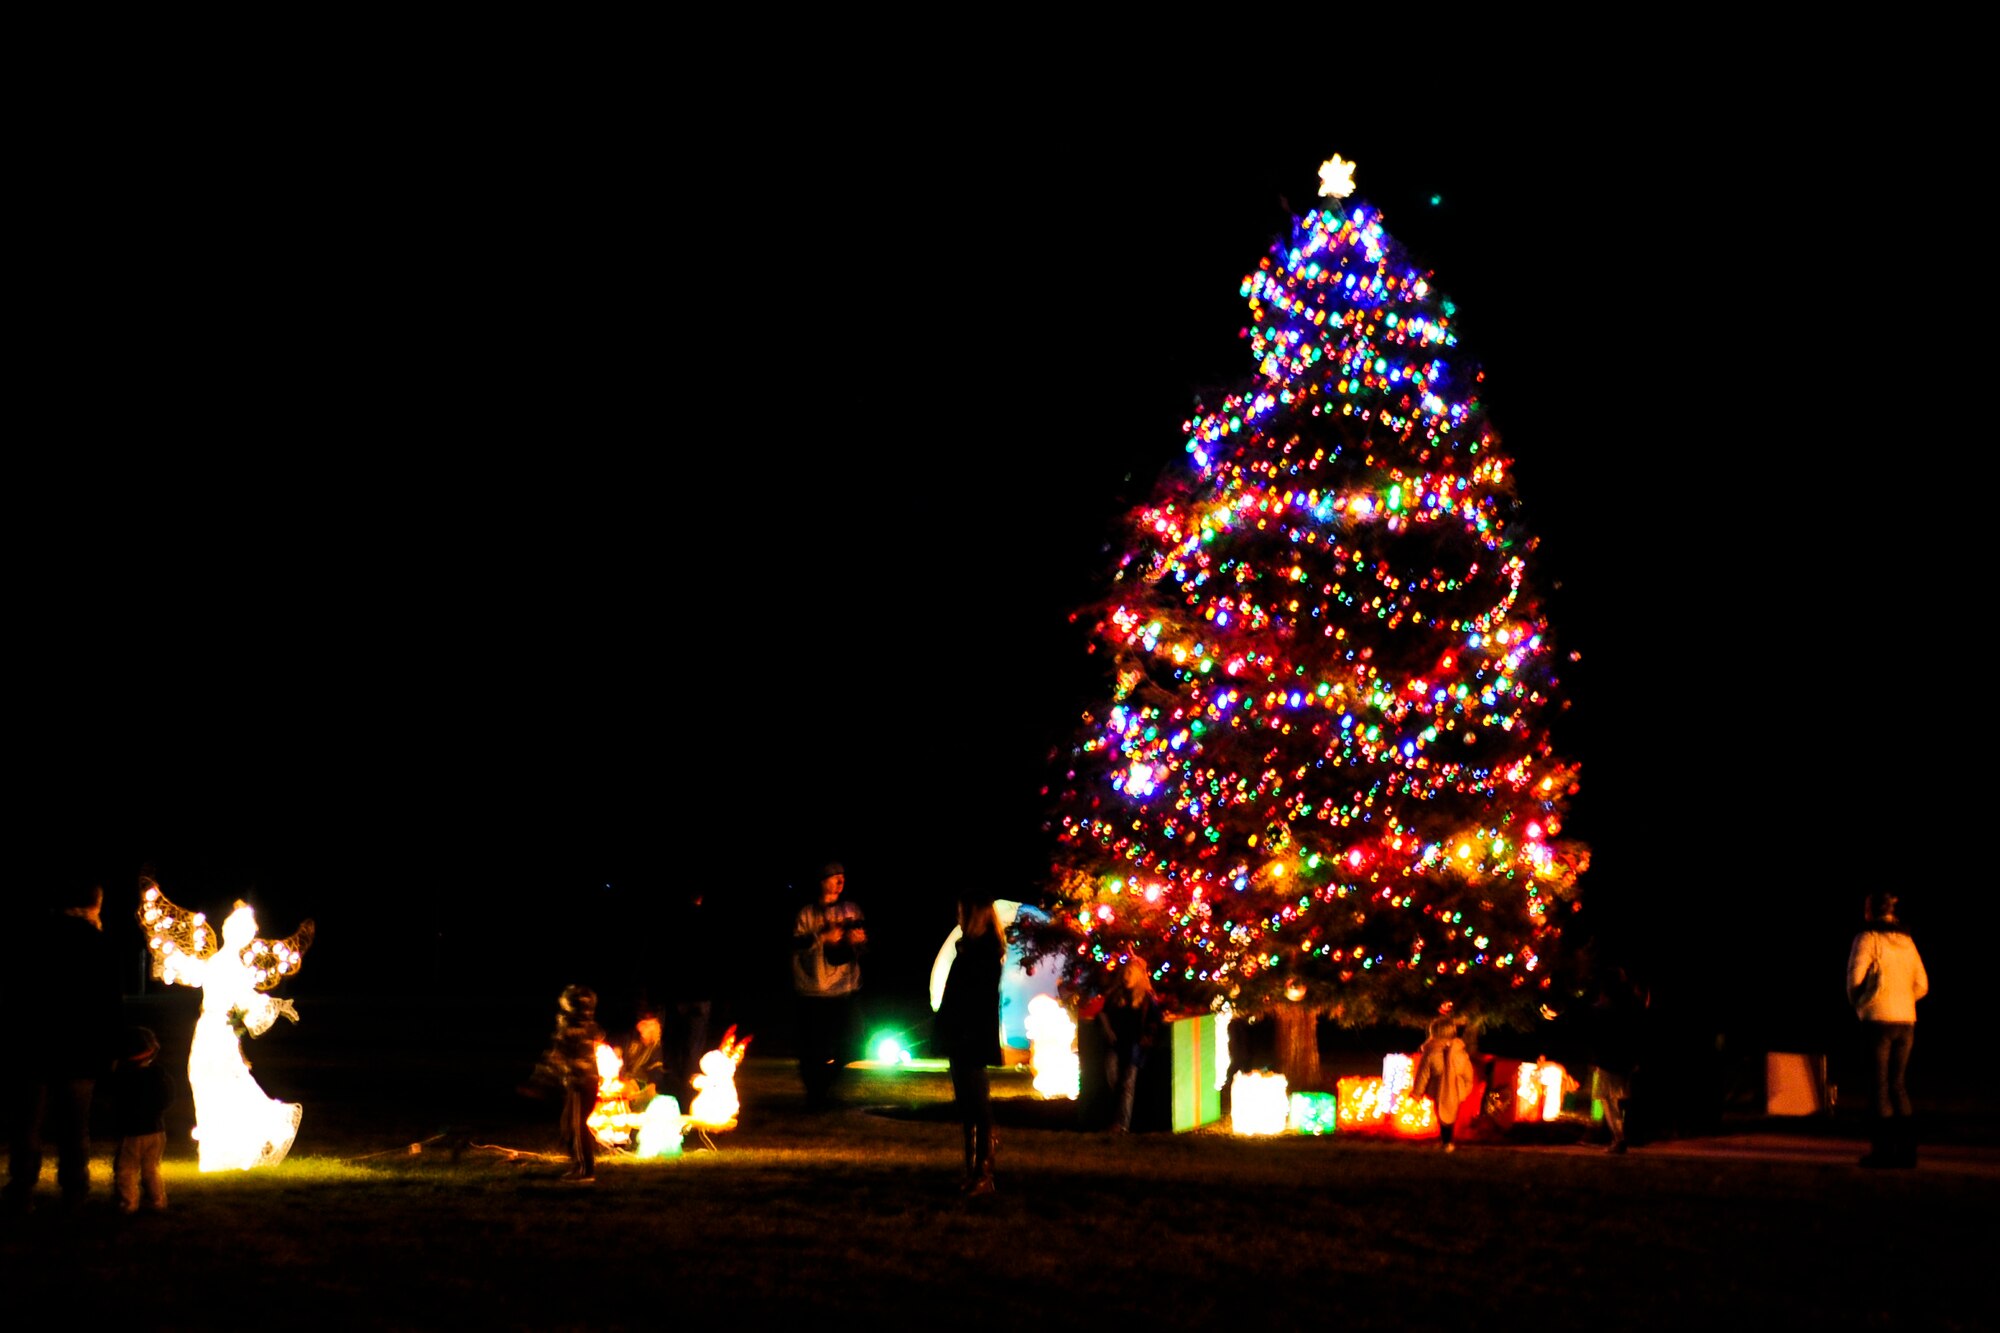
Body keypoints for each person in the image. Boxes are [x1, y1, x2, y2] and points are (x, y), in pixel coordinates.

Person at [3, 883, 121, 1214]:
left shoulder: (33, 938)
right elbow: (109, 1003)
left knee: (27, 1124)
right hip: (80, 1051)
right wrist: (110, 1047)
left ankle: (22, 1191)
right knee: (75, 1127)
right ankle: (74, 1192)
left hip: (34, 1047)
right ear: (95, 904)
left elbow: (16, 995)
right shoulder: (98, 944)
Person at [1846, 891, 1928, 1169]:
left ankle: (1883, 1151)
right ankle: (1906, 1151)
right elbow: (1922, 984)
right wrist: (1903, 999)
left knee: (1879, 1087)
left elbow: (1854, 980)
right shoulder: (1907, 942)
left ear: (1870, 911)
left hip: (1877, 1021)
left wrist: (1863, 1003)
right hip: (1907, 1022)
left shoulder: (1868, 939)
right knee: (1898, 1085)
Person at [937, 893, 1004, 1196]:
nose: (958, 917)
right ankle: (971, 1170)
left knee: (977, 1104)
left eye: (961, 911)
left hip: (971, 1035)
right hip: (960, 1033)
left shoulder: (984, 951)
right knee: (967, 1105)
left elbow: (974, 998)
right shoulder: (972, 949)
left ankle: (984, 1173)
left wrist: (958, 1026)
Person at [791, 862, 866, 1111]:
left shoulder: (851, 909)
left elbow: (864, 949)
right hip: (813, 990)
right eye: (834, 877)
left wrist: (858, 942)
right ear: (822, 881)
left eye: (843, 877)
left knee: (854, 1043)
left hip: (845, 989)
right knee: (813, 1050)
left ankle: (822, 1087)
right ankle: (817, 1097)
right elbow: (794, 946)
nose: (840, 882)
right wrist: (822, 937)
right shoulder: (806, 913)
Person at [534, 984, 606, 1183]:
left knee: (577, 1126)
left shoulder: (572, 1028)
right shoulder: (586, 1026)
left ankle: (585, 1170)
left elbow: (557, 1056)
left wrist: (541, 1080)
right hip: (582, 1083)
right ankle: (577, 1165)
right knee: (568, 1125)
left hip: (581, 1084)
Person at [660, 890, 719, 1114]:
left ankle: (674, 1093)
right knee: (693, 1047)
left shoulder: (673, 921)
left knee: (674, 1047)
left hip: (679, 992)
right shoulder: (708, 921)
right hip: (700, 993)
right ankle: (687, 1094)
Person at [109, 1026, 172, 1214]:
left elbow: (117, 1100)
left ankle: (128, 1203)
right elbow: (168, 1097)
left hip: (134, 1131)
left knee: (127, 1168)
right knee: (151, 1167)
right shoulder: (159, 1075)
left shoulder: (126, 1077)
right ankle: (158, 1200)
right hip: (157, 1130)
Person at [1098, 956, 1163, 1133]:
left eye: (1130, 973)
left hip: (1134, 1047)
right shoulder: (1115, 995)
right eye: (1125, 972)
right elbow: (1103, 1014)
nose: (1126, 976)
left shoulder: (1147, 998)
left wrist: (1147, 1036)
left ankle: (1121, 1124)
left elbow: (1155, 1020)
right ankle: (1113, 1117)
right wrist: (1108, 1030)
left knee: (1127, 1084)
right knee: (1111, 1078)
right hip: (1115, 1044)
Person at [1413, 1013, 1476, 1152]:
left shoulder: (1430, 1053)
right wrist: (1465, 1089)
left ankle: (1447, 1142)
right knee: (1452, 1114)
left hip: (1437, 1090)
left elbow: (1423, 1074)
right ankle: (1449, 1141)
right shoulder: (1461, 1053)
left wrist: (1417, 1093)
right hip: (1458, 1090)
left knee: (1442, 1114)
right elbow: (1468, 1074)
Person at [618, 1008, 669, 1112]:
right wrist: (626, 1080)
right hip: (623, 1081)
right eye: (645, 1024)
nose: (648, 1028)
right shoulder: (628, 1039)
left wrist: (652, 1084)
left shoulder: (656, 1044)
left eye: (651, 1025)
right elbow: (619, 1061)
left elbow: (656, 1069)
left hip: (640, 1084)